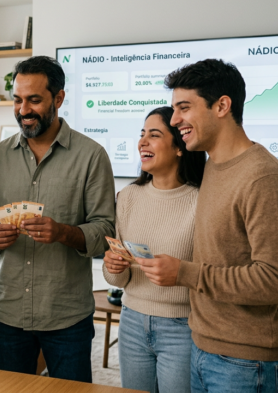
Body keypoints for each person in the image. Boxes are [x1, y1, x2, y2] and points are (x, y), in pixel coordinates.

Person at [136, 59, 278, 393]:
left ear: (222, 105)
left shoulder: (264, 178)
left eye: (184, 107)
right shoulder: (214, 166)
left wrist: (185, 273)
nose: (175, 119)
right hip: (204, 347)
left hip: (247, 362)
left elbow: (277, 281)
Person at [0, 56, 116, 381]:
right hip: (8, 309)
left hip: (66, 314)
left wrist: (63, 232)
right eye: (18, 99)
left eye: (34, 100)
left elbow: (105, 229)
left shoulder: (91, 156)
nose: (23, 109)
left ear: (59, 99)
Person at [104, 106, 205, 393]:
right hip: (132, 320)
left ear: (179, 148)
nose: (142, 142)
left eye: (154, 135)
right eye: (142, 134)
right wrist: (112, 267)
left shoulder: (202, 201)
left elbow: (211, 272)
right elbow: (119, 278)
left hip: (183, 326)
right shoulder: (127, 197)